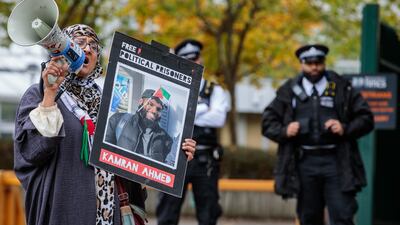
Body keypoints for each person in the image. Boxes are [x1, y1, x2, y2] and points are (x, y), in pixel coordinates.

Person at [13, 24, 196, 225]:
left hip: (110, 212)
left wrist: (175, 156)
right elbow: (32, 152)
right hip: (67, 208)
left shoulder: (109, 103)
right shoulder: (39, 93)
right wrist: (50, 94)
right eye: (79, 43)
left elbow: (134, 155)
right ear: (62, 48)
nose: (87, 49)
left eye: (93, 45)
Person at [261, 44, 374, 225]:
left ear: (324, 62)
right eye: (309, 63)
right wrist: (285, 131)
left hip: (337, 161)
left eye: (318, 62)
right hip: (304, 162)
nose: (314, 67)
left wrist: (345, 127)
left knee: (343, 215)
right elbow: (267, 123)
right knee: (309, 217)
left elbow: (366, 118)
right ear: (301, 64)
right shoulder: (289, 90)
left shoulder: (342, 87)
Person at [156, 39, 231, 225]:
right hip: (174, 157)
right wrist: (204, 110)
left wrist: (186, 112)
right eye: (187, 60)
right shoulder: (171, 89)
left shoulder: (215, 90)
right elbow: (167, 116)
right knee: (167, 213)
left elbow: (219, 118)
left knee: (208, 214)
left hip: (205, 160)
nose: (193, 64)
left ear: (200, 60)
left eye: (195, 59)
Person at [105, 89, 173, 164]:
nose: (154, 111)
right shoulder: (117, 120)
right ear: (141, 102)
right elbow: (103, 154)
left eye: (158, 109)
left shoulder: (166, 140)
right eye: (150, 104)